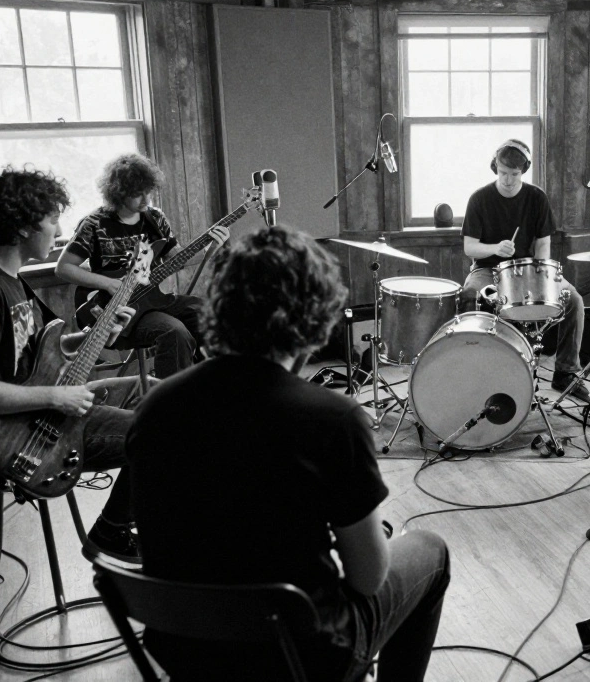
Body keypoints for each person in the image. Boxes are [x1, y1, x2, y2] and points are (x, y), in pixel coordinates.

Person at [127, 226, 451, 681]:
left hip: (185, 651)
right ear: (315, 319)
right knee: (430, 550)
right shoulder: (332, 419)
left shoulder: (155, 407)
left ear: (219, 307)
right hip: (299, 660)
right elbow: (368, 579)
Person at [0, 166, 147, 563]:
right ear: (22, 226)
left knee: (155, 395)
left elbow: (44, 350)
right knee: (160, 435)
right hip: (15, 437)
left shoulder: (12, 280)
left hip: (43, 412)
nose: (59, 228)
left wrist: (96, 335)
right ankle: (113, 530)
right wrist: (58, 396)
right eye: (52, 219)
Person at [56, 153, 227, 378]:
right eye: (138, 194)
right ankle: (173, 403)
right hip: (120, 310)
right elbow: (63, 268)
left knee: (212, 314)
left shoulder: (154, 218)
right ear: (118, 192)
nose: (146, 200)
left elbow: (176, 259)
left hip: (154, 299)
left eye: (149, 191)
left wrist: (209, 248)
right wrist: (108, 283)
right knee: (175, 332)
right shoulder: (94, 224)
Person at [461, 139, 590, 402]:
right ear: (495, 167)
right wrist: (496, 247)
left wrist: (540, 273)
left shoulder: (536, 197)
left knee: (574, 300)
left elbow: (543, 243)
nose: (508, 180)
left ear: (524, 170)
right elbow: (470, 248)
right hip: (488, 269)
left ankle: (566, 372)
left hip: (529, 267)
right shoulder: (479, 198)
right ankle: (472, 368)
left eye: (514, 174)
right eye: (503, 173)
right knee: (470, 295)